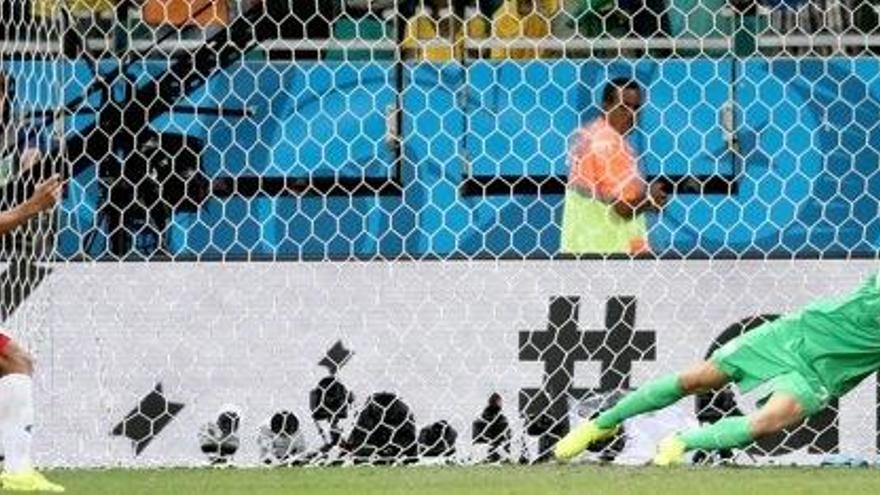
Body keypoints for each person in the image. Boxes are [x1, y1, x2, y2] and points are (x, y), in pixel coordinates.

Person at [555, 272, 880, 466]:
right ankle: (602, 424)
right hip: (794, 334)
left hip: (822, 375)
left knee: (765, 424)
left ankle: (683, 441)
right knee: (696, 379)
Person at [560, 78, 666, 255]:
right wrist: (650, 196)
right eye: (624, 107)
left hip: (582, 250)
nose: (631, 115)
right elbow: (623, 208)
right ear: (606, 106)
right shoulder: (608, 145)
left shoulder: (590, 135)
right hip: (610, 253)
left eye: (636, 108)